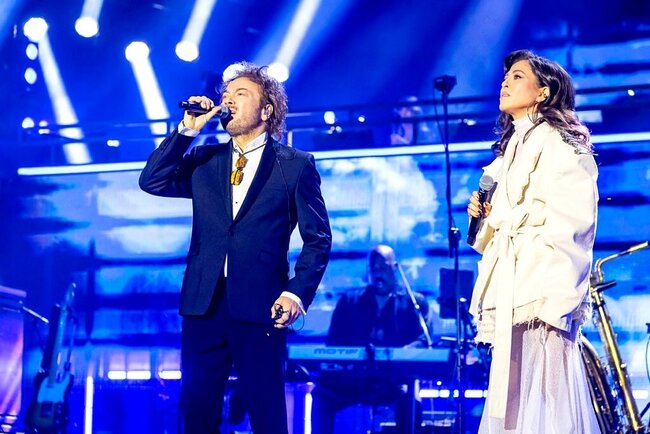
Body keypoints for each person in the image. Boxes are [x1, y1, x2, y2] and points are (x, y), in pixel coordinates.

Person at [139, 62, 332, 434]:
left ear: (266, 110)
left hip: (262, 304)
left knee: (266, 411)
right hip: (203, 303)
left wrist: (295, 293)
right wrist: (187, 130)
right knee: (197, 412)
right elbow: (152, 180)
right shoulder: (204, 159)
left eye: (240, 94)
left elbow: (318, 238)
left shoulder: (295, 166)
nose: (228, 100)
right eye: (226, 94)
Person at [466, 49, 600, 433]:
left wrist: (560, 300)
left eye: (518, 76)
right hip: (511, 285)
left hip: (542, 288)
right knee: (510, 398)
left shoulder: (560, 143)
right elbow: (498, 228)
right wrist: (484, 215)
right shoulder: (510, 149)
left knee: (549, 402)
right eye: (505, 76)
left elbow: (574, 224)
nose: (505, 83)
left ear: (543, 92)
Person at [311, 244, 432, 433]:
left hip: (394, 380)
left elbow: (424, 339)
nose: (378, 274)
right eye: (373, 269)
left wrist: (406, 352)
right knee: (321, 394)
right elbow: (333, 341)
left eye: (383, 268)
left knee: (410, 400)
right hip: (353, 378)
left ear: (394, 268)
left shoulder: (414, 302)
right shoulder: (349, 301)